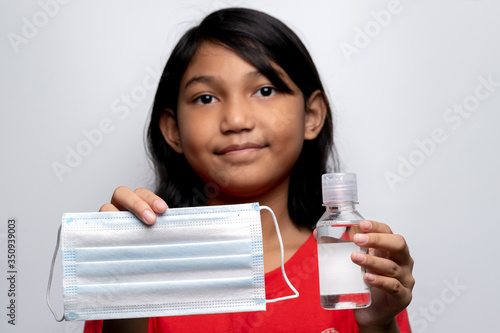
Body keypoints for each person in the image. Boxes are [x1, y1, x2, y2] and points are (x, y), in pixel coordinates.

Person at [84, 7, 414, 333]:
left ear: (311, 115)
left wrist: (379, 326)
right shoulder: (136, 268)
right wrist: (126, 305)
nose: (237, 121)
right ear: (172, 130)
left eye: (265, 91)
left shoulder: (355, 269)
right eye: (206, 98)